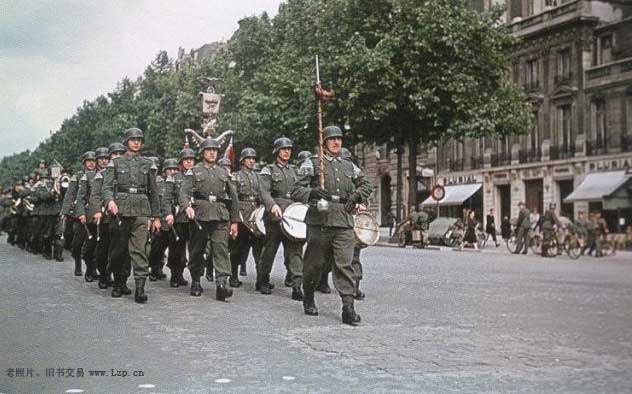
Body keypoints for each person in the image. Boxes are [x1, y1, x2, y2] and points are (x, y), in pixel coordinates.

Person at [292, 125, 374, 325]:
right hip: (320, 220)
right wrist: (311, 193)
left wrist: (357, 195)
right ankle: (309, 296)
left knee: (344, 264)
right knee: (315, 265)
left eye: (339, 139)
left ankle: (348, 307)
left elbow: (367, 184)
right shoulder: (312, 163)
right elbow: (295, 189)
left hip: (344, 219)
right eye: (332, 139)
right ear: (324, 142)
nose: (336, 142)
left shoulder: (349, 166)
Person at [103, 128, 161, 303]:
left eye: (139, 140)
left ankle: (140, 288)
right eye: (133, 139)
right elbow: (106, 188)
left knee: (139, 250)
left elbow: (153, 192)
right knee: (118, 251)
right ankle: (119, 282)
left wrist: (156, 217)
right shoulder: (116, 163)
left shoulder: (147, 163)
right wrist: (109, 201)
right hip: (120, 210)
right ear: (126, 142)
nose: (136, 142)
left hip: (142, 210)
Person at [178, 137, 240, 301]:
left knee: (221, 248)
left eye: (215, 150)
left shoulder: (223, 172)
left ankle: (221, 284)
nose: (212, 153)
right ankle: (196, 280)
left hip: (220, 214)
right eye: (209, 150)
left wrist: (234, 221)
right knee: (197, 250)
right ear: (202, 153)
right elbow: (183, 193)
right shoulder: (194, 171)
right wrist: (187, 207)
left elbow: (233, 198)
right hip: (200, 214)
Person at [257, 137, 304, 300]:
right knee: (269, 250)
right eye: (284, 149)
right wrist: (272, 205)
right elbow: (263, 191)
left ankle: (297, 285)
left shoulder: (295, 171)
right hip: (275, 217)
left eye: (289, 149)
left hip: (292, 215)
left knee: (295, 251)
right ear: (277, 151)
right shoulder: (268, 170)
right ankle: (262, 279)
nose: (287, 152)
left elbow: (301, 191)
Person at [229, 147, 262, 288]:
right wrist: (236, 216)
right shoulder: (236, 176)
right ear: (242, 160)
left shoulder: (258, 177)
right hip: (242, 213)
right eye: (248, 158)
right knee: (237, 247)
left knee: (259, 248)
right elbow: (233, 197)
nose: (251, 161)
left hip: (256, 213)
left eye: (253, 159)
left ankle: (261, 278)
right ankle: (233, 276)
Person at [75, 148, 110, 282]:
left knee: (106, 248)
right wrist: (81, 214)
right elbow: (81, 197)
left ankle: (105, 274)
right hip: (92, 217)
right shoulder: (88, 176)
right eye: (101, 158)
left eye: (106, 158)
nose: (104, 161)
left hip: (108, 217)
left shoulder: (112, 175)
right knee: (90, 247)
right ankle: (90, 269)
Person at [166, 147, 196, 288]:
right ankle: (175, 275)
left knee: (194, 248)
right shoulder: (174, 177)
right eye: (186, 160)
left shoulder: (198, 175)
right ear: (181, 162)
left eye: (191, 159)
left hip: (194, 218)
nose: (189, 162)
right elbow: (167, 198)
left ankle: (190, 275)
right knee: (176, 248)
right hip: (179, 218)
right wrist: (169, 213)